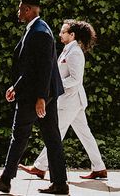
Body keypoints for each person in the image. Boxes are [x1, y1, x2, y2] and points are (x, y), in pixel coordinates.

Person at [0, 0, 69, 195]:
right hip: (38, 92)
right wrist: (15, 87)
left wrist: (40, 98)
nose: (18, 12)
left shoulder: (39, 32)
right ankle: (60, 183)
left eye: (20, 8)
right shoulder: (38, 29)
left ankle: (5, 179)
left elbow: (44, 68)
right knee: (51, 137)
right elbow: (30, 68)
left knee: (19, 135)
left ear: (28, 9)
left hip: (35, 96)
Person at [20, 20, 107, 180]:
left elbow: (75, 79)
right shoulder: (68, 50)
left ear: (72, 35)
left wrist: (55, 86)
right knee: (84, 134)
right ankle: (99, 168)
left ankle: (40, 167)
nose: (59, 34)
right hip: (72, 101)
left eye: (63, 32)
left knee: (56, 132)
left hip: (71, 101)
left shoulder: (74, 52)